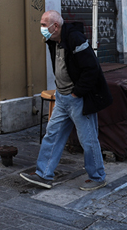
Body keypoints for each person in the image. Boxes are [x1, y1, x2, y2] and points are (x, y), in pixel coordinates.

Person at [21, 10, 113, 191]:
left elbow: (92, 69)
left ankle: (97, 177)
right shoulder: (53, 40)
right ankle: (43, 174)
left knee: (88, 140)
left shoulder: (75, 39)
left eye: (43, 24)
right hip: (62, 98)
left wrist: (76, 93)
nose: (41, 28)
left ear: (55, 26)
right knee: (52, 135)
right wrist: (61, 92)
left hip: (77, 99)